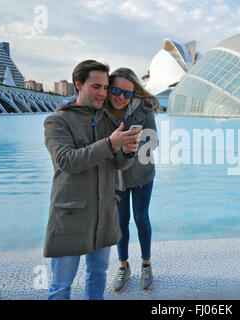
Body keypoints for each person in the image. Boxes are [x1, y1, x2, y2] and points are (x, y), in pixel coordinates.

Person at [43, 60, 141, 300]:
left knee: (98, 276)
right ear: (78, 85)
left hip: (103, 214)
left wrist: (127, 152)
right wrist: (110, 144)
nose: (103, 93)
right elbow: (66, 161)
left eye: (106, 88)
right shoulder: (57, 121)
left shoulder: (108, 121)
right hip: (70, 216)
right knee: (60, 286)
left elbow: (118, 165)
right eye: (96, 87)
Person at [102, 67, 159, 292]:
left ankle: (146, 264)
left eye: (127, 93)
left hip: (142, 172)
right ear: (109, 89)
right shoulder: (102, 109)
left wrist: (133, 148)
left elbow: (153, 141)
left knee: (141, 218)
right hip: (116, 176)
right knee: (120, 221)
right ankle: (124, 266)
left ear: (134, 93)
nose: (121, 97)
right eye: (116, 90)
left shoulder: (144, 109)